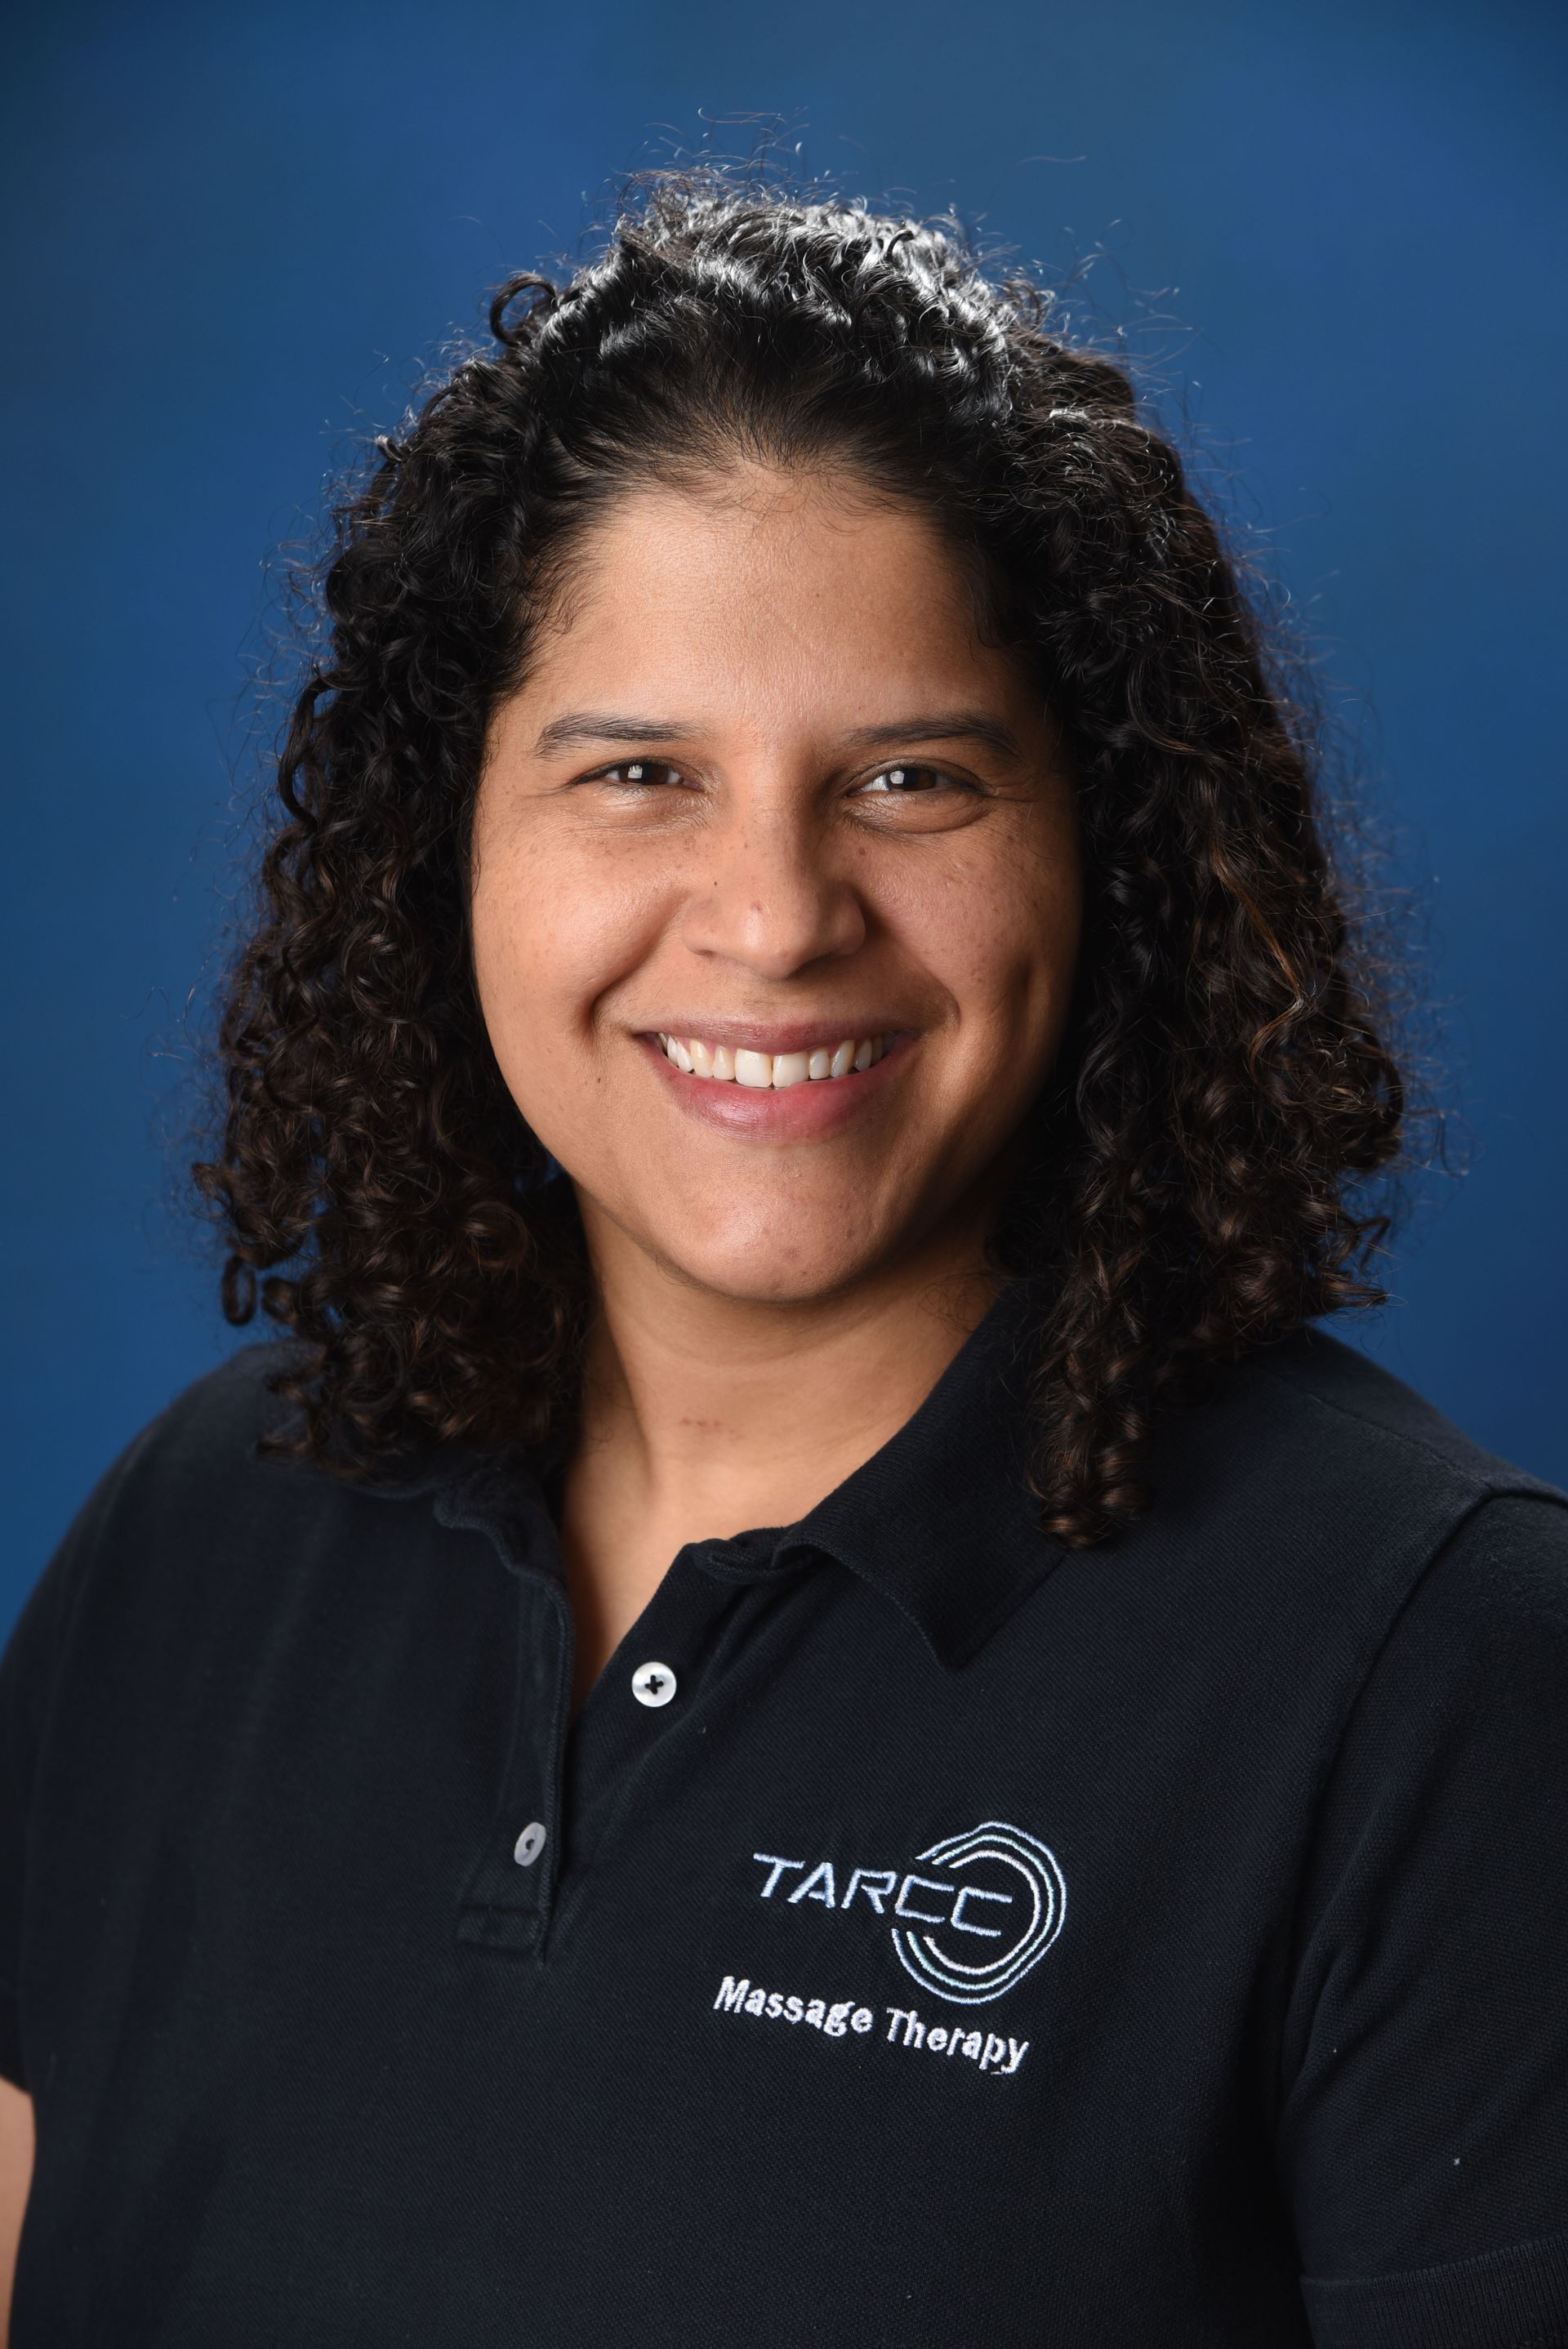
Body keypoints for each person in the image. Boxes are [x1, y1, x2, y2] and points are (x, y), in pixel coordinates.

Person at [0, 168, 1563, 2348]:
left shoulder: (1439, 1666)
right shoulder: (192, 1542)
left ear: (1103, 843)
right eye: (639, 770)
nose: (774, 911)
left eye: (908, 776)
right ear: (443, 842)